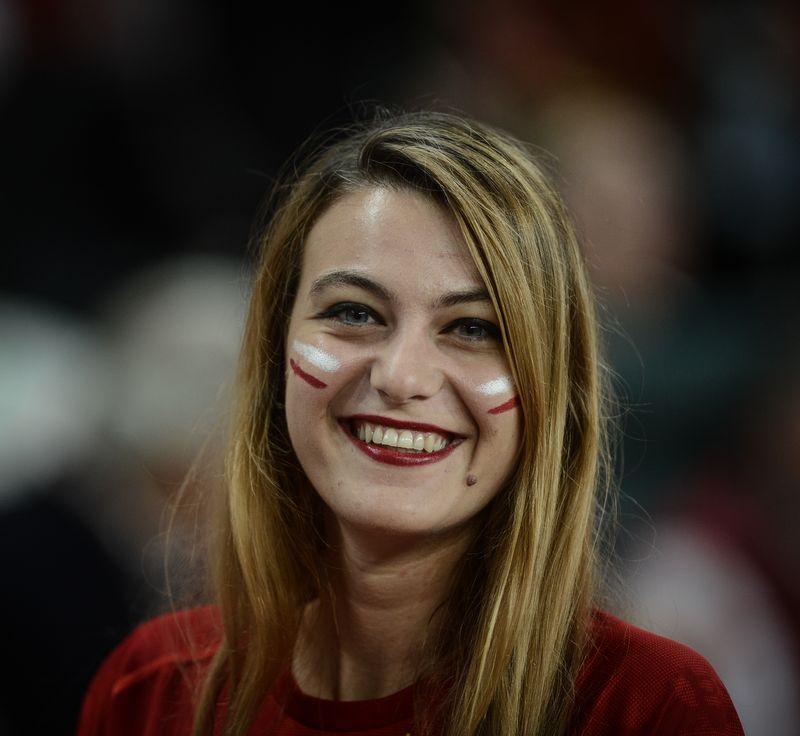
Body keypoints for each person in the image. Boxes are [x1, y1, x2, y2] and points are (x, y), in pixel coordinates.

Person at [77, 111, 744, 736]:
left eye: (473, 328)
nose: (400, 376)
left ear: (553, 391)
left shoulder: (649, 708)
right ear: (274, 351)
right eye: (355, 313)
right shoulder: (149, 696)